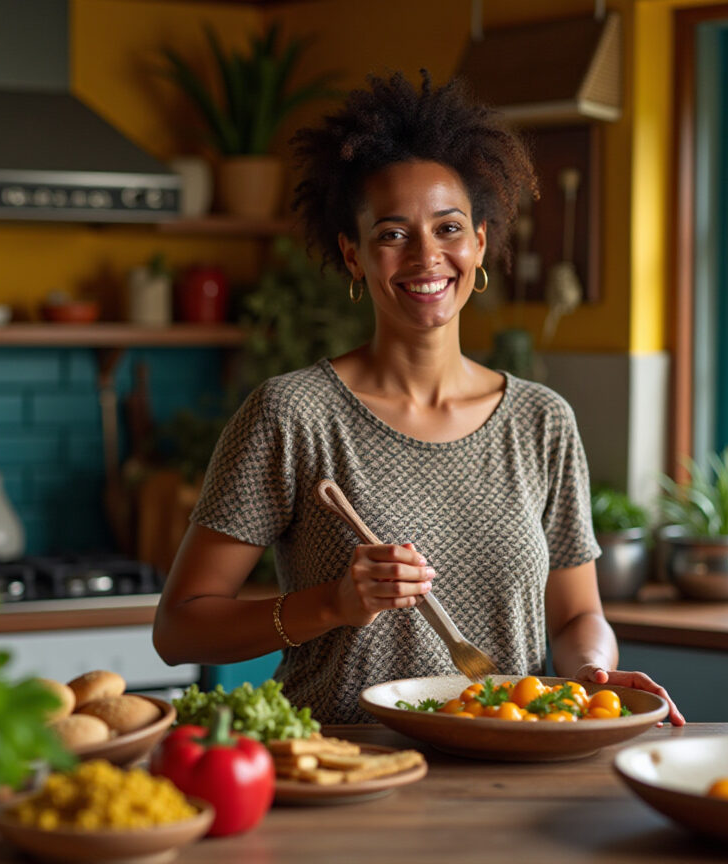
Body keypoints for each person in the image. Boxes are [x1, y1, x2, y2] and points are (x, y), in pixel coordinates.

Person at [152, 70, 684, 726]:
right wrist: (334, 605)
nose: (427, 257)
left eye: (449, 228)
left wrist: (593, 671)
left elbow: (577, 614)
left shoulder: (541, 421)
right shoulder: (292, 414)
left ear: (480, 242)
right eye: (393, 233)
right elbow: (179, 630)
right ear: (354, 256)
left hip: (508, 765)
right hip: (344, 772)